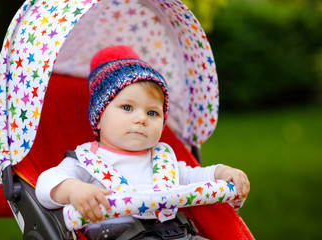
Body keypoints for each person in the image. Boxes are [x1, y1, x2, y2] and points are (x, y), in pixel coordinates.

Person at [35, 45, 250, 239]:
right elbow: (46, 184)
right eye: (127, 108)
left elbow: (195, 176)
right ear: (98, 117)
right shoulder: (87, 160)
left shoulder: (163, 160)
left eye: (152, 112)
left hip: (175, 233)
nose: (141, 118)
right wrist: (74, 190)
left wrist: (221, 173)